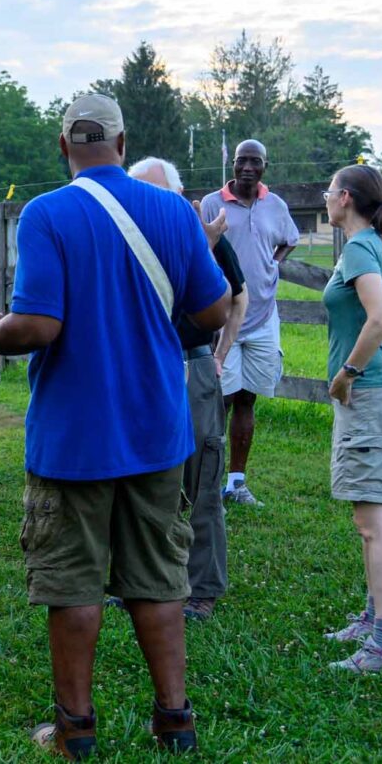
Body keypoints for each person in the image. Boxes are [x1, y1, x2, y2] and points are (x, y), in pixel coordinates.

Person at [0, 93, 230, 757]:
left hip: (75, 436)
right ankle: (175, 721)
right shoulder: (172, 209)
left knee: (73, 583)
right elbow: (217, 309)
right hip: (157, 427)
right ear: (122, 141)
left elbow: (41, 324)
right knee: (160, 579)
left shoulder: (47, 214)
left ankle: (74, 732)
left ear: (63, 148)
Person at [128, 157, 247, 622]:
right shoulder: (122, 237)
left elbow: (238, 297)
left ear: (176, 196)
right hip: (140, 371)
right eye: (138, 192)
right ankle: (146, 580)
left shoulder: (200, 234)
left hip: (189, 366)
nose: (145, 202)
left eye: (155, 192)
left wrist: (218, 357)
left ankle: (202, 588)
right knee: (143, 479)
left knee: (200, 478)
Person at [319, 164, 382, 673]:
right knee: (375, 518)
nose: (325, 198)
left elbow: (380, 317)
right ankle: (374, 617)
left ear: (346, 198)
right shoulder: (378, 244)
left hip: (370, 395)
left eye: (330, 191)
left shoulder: (361, 247)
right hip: (378, 397)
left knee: (373, 524)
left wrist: (347, 373)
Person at [198, 139, 300, 507]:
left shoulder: (275, 205)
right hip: (224, 319)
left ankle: (236, 483)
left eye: (254, 162)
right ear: (233, 165)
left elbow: (290, 238)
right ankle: (207, 483)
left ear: (264, 167)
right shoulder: (213, 203)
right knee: (218, 401)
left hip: (262, 319)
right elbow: (200, 247)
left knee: (247, 400)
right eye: (241, 161)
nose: (246, 168)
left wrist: (274, 261)